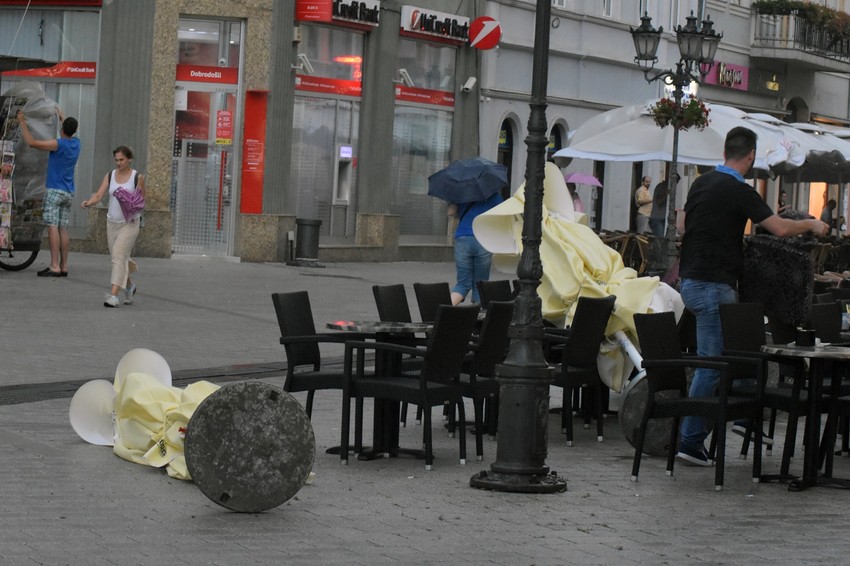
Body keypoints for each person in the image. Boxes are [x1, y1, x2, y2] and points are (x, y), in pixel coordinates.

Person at [675, 126, 829, 467]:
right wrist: (812, 225)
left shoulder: (701, 183)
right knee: (712, 363)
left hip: (691, 279)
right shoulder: (737, 189)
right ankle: (690, 440)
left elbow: (683, 226)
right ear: (750, 157)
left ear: (725, 152)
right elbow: (779, 228)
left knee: (743, 345)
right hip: (713, 283)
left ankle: (746, 418)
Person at [17, 108, 80, 277]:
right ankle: (64, 265)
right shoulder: (77, 144)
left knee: (52, 227)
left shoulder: (58, 144)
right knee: (63, 228)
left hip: (54, 191)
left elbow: (32, 143)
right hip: (68, 192)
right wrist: (62, 117)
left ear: (61, 130)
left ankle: (54, 266)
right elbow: (69, 130)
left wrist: (22, 122)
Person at [81, 146, 146, 308]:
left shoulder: (137, 177)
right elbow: (99, 195)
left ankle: (114, 296)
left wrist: (130, 202)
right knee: (118, 258)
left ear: (129, 159)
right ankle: (129, 286)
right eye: (116, 160)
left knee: (118, 255)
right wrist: (89, 203)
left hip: (130, 223)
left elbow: (142, 200)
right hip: (112, 223)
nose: (118, 163)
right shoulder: (110, 175)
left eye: (122, 160)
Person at [448, 191, 503, 305]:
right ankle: (477, 316)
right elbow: (502, 216)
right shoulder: (494, 196)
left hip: (463, 239)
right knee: (480, 284)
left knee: (462, 284)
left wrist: (455, 204)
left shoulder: (462, 193)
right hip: (483, 239)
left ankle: (443, 311)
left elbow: (450, 213)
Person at [649, 173, 679, 238]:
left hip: (665, 219)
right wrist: (665, 194)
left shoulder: (670, 189)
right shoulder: (660, 187)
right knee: (660, 239)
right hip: (657, 219)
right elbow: (658, 202)